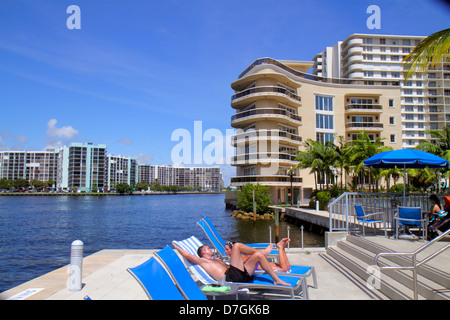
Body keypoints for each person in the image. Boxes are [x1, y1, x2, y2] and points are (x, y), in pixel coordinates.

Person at [172, 240, 291, 286]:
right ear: (203, 252)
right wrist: (176, 246)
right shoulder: (203, 261)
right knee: (237, 246)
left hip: (240, 275)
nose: (211, 249)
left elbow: (233, 267)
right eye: (208, 249)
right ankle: (263, 253)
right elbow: (187, 255)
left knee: (258, 256)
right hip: (232, 277)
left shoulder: (215, 260)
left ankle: (276, 279)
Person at [224, 238, 291, 272]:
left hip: (259, 266)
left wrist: (221, 263)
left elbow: (229, 270)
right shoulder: (239, 256)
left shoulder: (235, 259)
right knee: (287, 267)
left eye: (227, 249)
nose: (225, 251)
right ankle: (283, 249)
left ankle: (280, 248)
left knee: (283, 269)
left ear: (233, 250)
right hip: (258, 264)